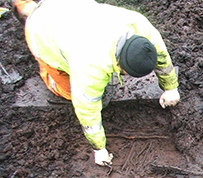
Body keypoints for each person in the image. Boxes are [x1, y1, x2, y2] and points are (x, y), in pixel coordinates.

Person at [12, 0, 180, 166]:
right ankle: (47, 71)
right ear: (121, 66)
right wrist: (99, 148)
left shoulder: (139, 25)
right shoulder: (91, 66)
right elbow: (87, 108)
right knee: (69, 91)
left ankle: (30, 7)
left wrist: (170, 88)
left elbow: (161, 54)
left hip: (64, 5)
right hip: (42, 33)